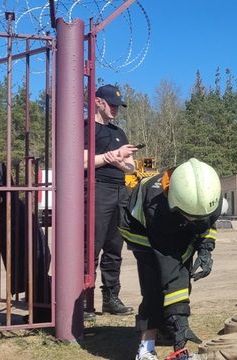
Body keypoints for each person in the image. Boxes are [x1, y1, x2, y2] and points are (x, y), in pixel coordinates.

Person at [119, 158, 222, 360]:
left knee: (182, 282)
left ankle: (170, 330)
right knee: (155, 286)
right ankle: (146, 347)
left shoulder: (208, 196)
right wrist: (181, 318)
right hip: (142, 231)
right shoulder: (155, 208)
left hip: (174, 224)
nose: (194, 220)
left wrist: (205, 248)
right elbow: (170, 267)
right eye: (189, 215)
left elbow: (207, 223)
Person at [84, 84, 139, 317]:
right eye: (112, 104)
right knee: (90, 248)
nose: (116, 109)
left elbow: (130, 168)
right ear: (98, 101)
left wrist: (116, 159)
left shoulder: (119, 133)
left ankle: (111, 298)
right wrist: (116, 156)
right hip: (97, 189)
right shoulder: (87, 128)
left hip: (120, 191)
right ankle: (83, 302)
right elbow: (83, 161)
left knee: (114, 248)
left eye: (118, 105)